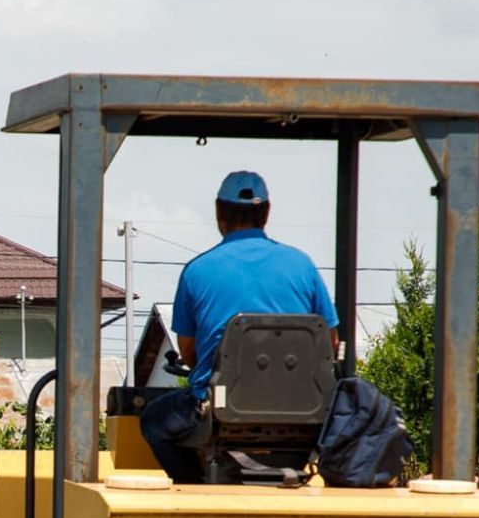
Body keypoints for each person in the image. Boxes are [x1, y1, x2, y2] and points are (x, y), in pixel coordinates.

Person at [139, 171, 339, 484]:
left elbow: (189, 353)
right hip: (304, 412)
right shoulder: (303, 266)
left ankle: (193, 490)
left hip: (221, 413)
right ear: (267, 212)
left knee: (153, 420)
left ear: (219, 213)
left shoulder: (197, 272)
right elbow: (329, 343)